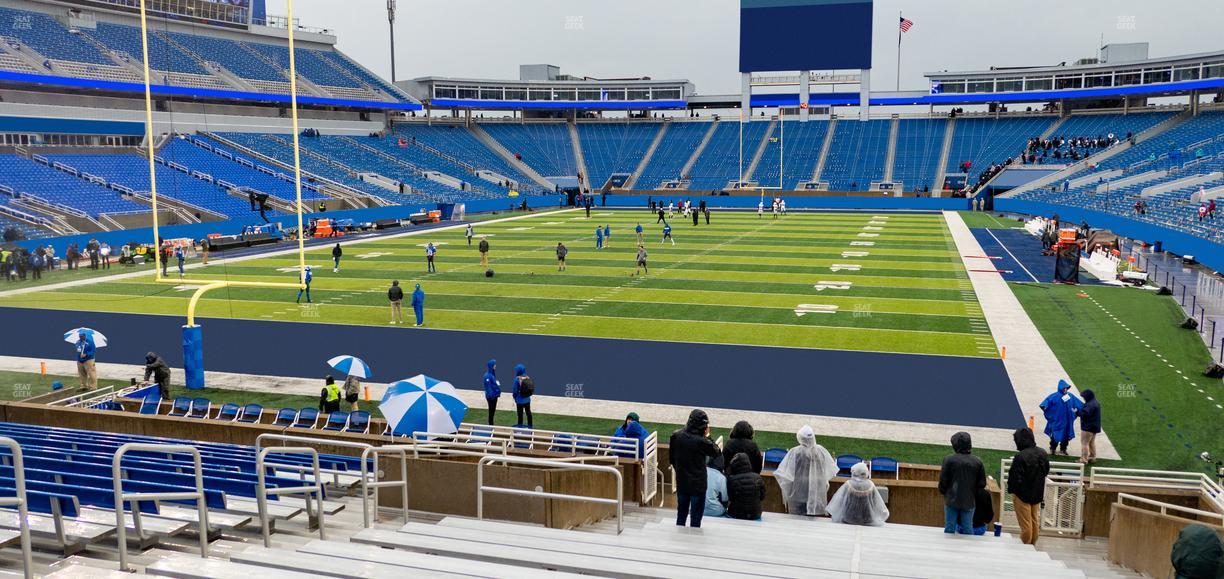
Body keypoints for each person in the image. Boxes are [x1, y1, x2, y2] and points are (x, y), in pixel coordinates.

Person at [668, 409, 719, 527]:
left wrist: (680, 471)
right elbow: (717, 452)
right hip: (698, 485)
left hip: (682, 482)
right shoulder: (702, 441)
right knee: (695, 519)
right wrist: (708, 436)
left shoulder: (676, 436)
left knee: (681, 516)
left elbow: (672, 459)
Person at [774, 425, 837, 516]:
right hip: (815, 492)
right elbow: (830, 470)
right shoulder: (821, 451)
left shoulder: (795, 452)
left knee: (797, 522)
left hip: (798, 491)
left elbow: (785, 473)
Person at [1007, 427, 1050, 545]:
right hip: (1037, 493)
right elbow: (1046, 471)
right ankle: (1032, 544)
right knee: (1034, 521)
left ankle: (1025, 546)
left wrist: (1012, 490)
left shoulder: (1020, 456)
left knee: (1026, 525)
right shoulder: (1042, 452)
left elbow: (1015, 477)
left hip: (1022, 495)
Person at [938, 431, 986, 535]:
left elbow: (943, 481)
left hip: (951, 499)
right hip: (969, 500)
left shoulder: (949, 460)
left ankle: (947, 549)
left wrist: (943, 491)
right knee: (968, 528)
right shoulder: (977, 461)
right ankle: (968, 550)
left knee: (949, 528)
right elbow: (982, 483)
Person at [827, 462, 890, 526]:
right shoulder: (871, 484)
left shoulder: (848, 484)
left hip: (848, 518)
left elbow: (839, 501)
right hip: (868, 519)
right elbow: (876, 502)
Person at [1040, 380, 1084, 455]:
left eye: (1066, 388)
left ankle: (1063, 449)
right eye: (1064, 388)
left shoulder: (1070, 396)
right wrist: (1047, 409)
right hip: (1057, 421)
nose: (1065, 389)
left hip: (1067, 421)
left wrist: (1083, 409)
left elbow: (1078, 404)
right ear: (1060, 388)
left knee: (1066, 436)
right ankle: (1053, 448)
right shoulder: (1054, 396)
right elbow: (1045, 404)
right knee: (1054, 436)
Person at [726, 452, 766, 521]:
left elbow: (730, 498)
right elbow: (762, 496)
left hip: (736, 514)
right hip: (755, 514)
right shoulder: (758, 477)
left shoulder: (731, 480)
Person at [1077, 389, 1101, 463]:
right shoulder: (1096, 402)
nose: (1084, 398)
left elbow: (1085, 414)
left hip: (1088, 428)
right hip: (1094, 427)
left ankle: (1084, 459)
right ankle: (1092, 457)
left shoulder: (1089, 405)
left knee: (1085, 443)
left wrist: (1077, 412)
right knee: (1091, 443)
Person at [512, 363, 533, 427]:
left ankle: (520, 428)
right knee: (528, 413)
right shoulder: (527, 377)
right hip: (527, 399)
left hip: (519, 400)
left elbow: (515, 391)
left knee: (520, 415)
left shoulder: (516, 380)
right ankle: (530, 427)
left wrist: (515, 397)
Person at [482, 359, 500, 425]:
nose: (495, 366)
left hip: (494, 396)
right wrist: (492, 396)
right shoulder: (487, 376)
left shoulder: (492, 374)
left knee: (493, 411)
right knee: (491, 411)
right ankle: (490, 424)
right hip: (491, 397)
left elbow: (493, 384)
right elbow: (488, 388)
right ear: (491, 366)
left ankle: (491, 424)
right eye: (494, 364)